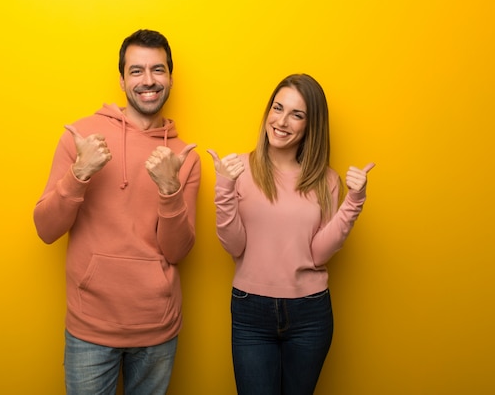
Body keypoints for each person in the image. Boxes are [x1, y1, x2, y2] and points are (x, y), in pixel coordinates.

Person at [33, 29, 201, 395]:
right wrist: (79, 174)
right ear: (122, 80)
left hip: (157, 329)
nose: (148, 80)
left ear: (170, 77)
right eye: (137, 71)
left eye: (158, 70)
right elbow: (45, 229)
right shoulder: (82, 137)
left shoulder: (183, 157)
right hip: (90, 328)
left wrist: (170, 188)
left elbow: (177, 252)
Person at [208, 73, 374, 395]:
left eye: (296, 114)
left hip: (310, 312)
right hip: (250, 310)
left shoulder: (326, 179)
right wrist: (224, 187)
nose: (281, 121)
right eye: (277, 108)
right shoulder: (239, 170)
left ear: (311, 125)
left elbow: (318, 255)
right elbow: (235, 246)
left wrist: (353, 202)